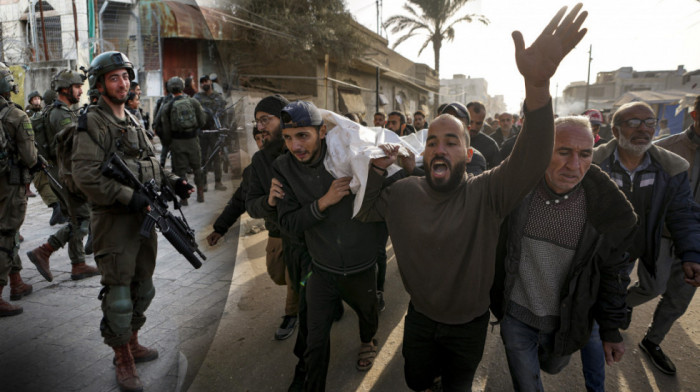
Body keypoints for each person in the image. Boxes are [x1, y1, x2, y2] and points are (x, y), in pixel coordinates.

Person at [356, 5, 588, 390]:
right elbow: (364, 210)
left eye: (452, 141)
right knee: (416, 381)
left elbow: (530, 160)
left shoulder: (486, 193)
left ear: (469, 154)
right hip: (420, 320)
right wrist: (378, 167)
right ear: (424, 153)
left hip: (469, 326)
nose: (440, 148)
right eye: (432, 142)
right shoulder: (404, 193)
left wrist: (537, 87)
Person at [72, 51, 193, 392]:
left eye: (125, 76)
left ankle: (132, 340)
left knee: (145, 287)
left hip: (144, 216)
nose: (122, 83)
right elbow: (86, 176)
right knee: (120, 295)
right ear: (99, 84)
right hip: (113, 221)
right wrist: (129, 197)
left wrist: (173, 181)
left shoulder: (133, 118)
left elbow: (151, 162)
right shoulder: (92, 121)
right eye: (114, 78)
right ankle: (122, 356)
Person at [493, 116, 637, 391]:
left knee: (553, 365)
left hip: (566, 323)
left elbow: (613, 274)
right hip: (516, 318)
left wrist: (610, 329)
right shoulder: (516, 191)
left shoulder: (604, 211)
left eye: (584, 154)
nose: (574, 165)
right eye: (563, 152)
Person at [580, 100, 700, 385]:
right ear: (615, 129)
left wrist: (692, 252)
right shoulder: (592, 163)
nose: (643, 129)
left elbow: (682, 212)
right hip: (600, 252)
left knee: (652, 288)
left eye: (648, 122)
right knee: (594, 317)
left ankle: (629, 334)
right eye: (633, 123)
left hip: (644, 244)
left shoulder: (670, 167)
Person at [274, 100, 390, 391]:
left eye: (303, 135)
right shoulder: (284, 167)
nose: (295, 145)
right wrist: (323, 202)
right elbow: (287, 223)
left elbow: (378, 201)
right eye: (288, 138)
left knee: (368, 314)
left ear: (322, 131)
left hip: (361, 265)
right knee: (315, 341)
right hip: (321, 269)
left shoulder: (349, 156)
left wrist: (378, 170)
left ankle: (367, 341)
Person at [624, 95, 700, 375]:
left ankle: (653, 341)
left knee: (680, 297)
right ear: (694, 115)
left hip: (696, 240)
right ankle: (620, 305)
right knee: (653, 286)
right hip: (663, 234)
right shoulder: (665, 149)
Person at [27, 69, 99, 282]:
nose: (80, 91)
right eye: (77, 87)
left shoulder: (59, 111)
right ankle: (45, 250)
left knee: (76, 217)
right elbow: (74, 146)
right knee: (84, 217)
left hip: (61, 171)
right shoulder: (61, 114)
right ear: (66, 89)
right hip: (66, 173)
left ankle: (78, 264)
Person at [244, 94, 300, 341]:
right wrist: (268, 201)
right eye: (258, 122)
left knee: (296, 276)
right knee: (277, 273)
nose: (261, 127)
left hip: (303, 230)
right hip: (276, 229)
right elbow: (250, 204)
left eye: (265, 120)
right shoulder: (259, 160)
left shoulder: (301, 149)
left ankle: (292, 314)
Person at [0, 64, 39, 316]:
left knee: (7, 231)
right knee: (7, 233)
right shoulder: (16, 116)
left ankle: (16, 281)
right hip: (10, 184)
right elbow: (30, 156)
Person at [160, 76, 207, 205]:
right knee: (197, 168)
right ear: (182, 87)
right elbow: (202, 121)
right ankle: (201, 194)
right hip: (193, 140)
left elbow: (166, 130)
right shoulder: (193, 102)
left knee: (180, 171)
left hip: (177, 143)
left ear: (169, 89)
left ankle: (184, 198)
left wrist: (169, 143)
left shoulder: (167, 107)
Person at [194, 74, 228, 192]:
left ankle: (218, 182)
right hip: (203, 133)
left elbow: (224, 115)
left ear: (210, 82)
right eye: (202, 82)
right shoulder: (197, 98)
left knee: (217, 158)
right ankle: (203, 184)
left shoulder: (218, 98)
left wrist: (223, 129)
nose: (204, 84)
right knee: (203, 158)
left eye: (206, 81)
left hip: (215, 132)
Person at [439, 102, 488, 175]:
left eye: (456, 123)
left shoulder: (476, 158)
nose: (450, 127)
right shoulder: (432, 151)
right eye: (447, 121)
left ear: (467, 129)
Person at [467, 101, 501, 169]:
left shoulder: (491, 145)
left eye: (478, 123)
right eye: (471, 122)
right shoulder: (450, 140)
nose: (473, 127)